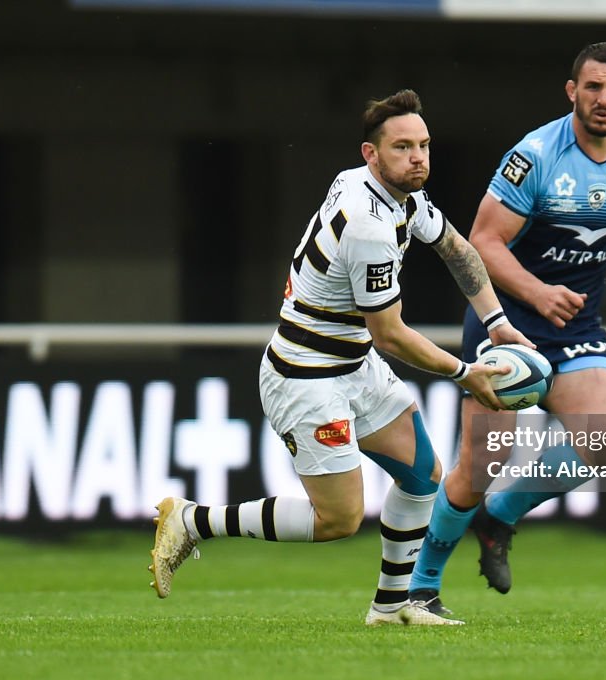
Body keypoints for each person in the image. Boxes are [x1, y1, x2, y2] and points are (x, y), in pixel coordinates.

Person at [148, 89, 532, 626]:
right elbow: (391, 335)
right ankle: (194, 521)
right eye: (402, 147)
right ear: (370, 154)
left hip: (351, 364)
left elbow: (456, 248)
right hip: (307, 376)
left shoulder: (396, 193)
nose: (418, 157)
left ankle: (393, 607)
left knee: (424, 475)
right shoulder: (370, 225)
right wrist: (467, 374)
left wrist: (497, 323)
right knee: (338, 519)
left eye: (423, 145)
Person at [407, 42, 606, 613]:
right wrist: (538, 293)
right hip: (507, 320)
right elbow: (482, 242)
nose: (603, 99)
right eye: (592, 87)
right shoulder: (536, 155)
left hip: (575, 325)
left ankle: (498, 519)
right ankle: (419, 587)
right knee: (480, 465)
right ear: (572, 91)